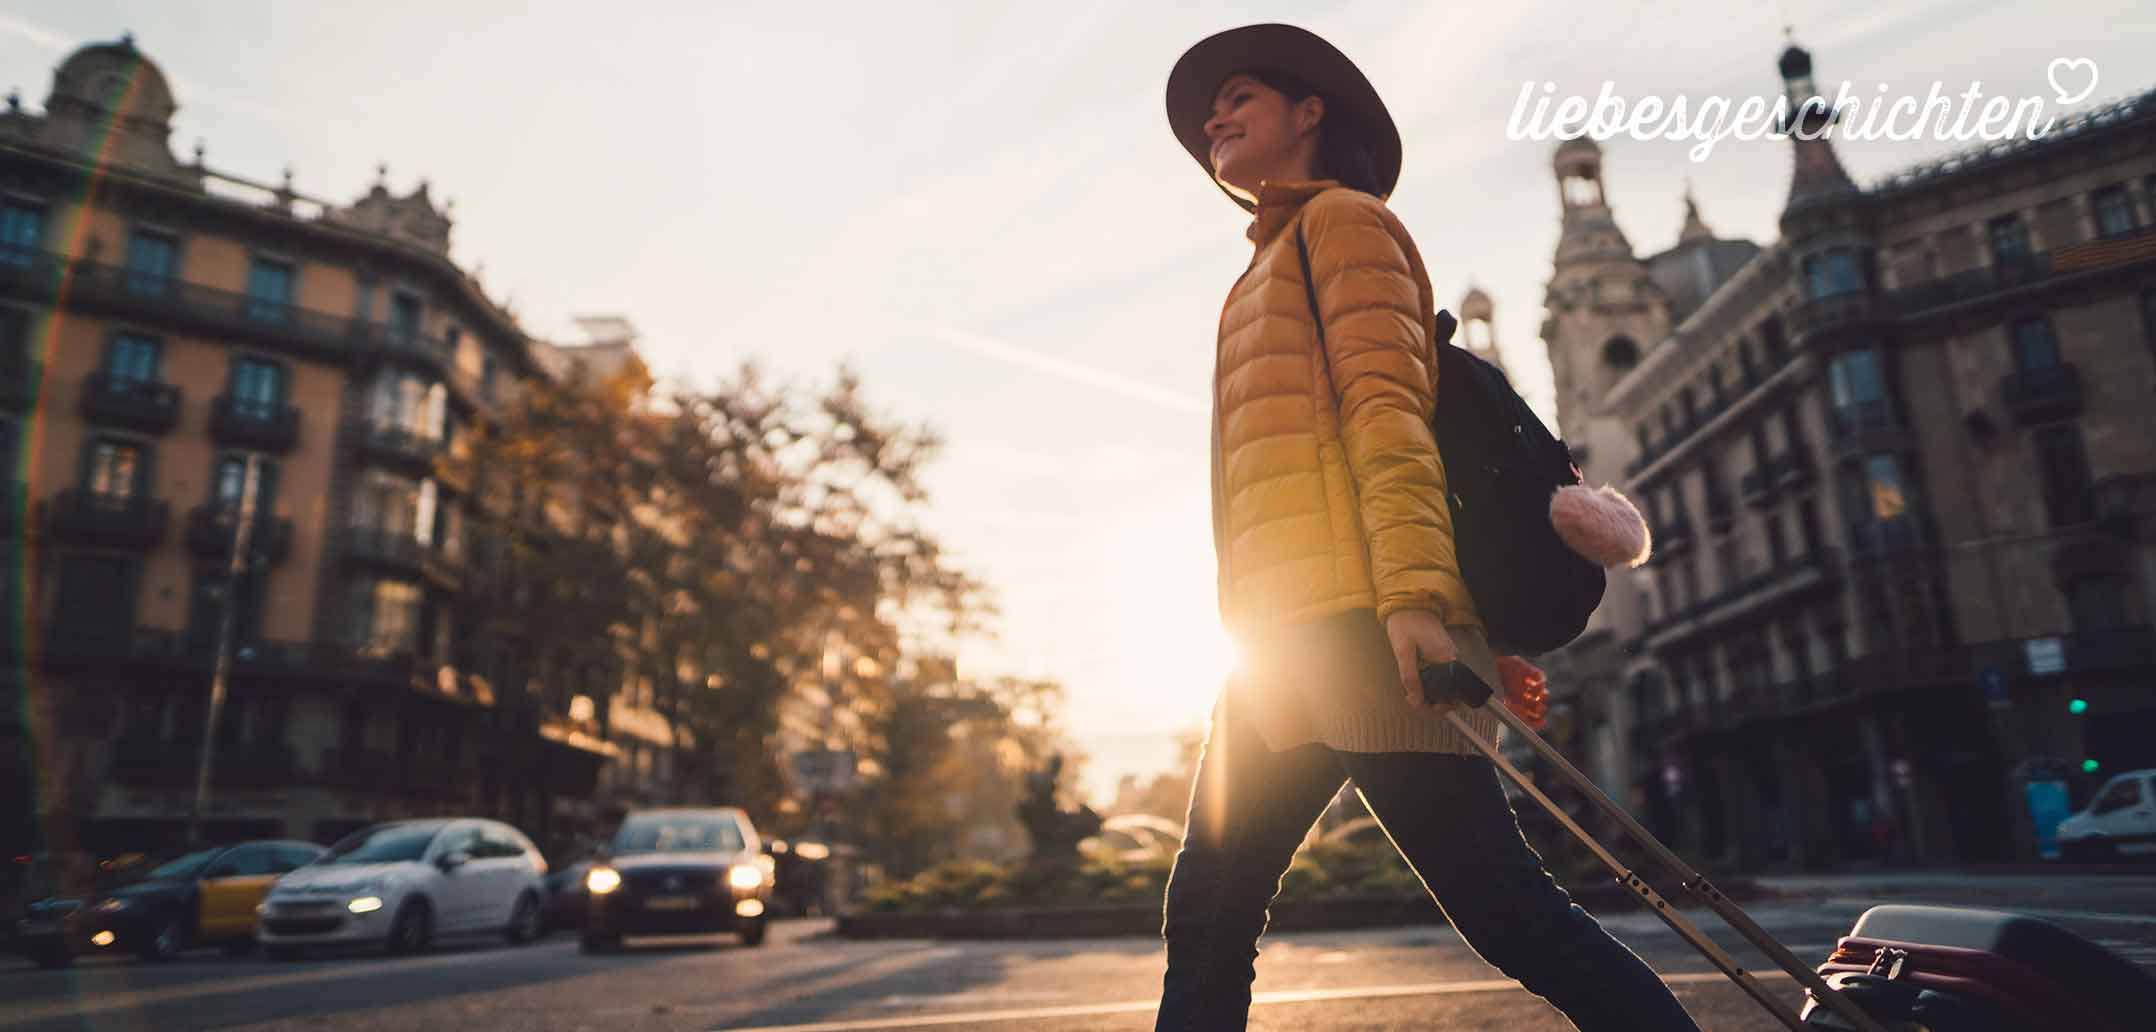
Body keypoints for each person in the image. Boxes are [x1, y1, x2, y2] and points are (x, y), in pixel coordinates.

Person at [1153, 24, 1702, 1031]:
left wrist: (1416, 605)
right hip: (1280, 642)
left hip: (1359, 630)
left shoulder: (1344, 227)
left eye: (1236, 97)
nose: (1212, 119)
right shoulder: (1268, 263)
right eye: (1208, 110)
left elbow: (1387, 423)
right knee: (1209, 909)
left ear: (1308, 110)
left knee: (1507, 914)